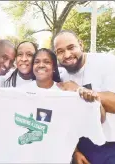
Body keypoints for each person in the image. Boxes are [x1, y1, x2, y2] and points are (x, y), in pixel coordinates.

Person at [53, 30, 115, 164]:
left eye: (71, 48)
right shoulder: (63, 76)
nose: (67, 55)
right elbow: (64, 119)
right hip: (83, 146)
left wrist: (79, 90)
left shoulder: (106, 62)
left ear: (81, 45)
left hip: (111, 143)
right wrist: (75, 151)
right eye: (60, 51)